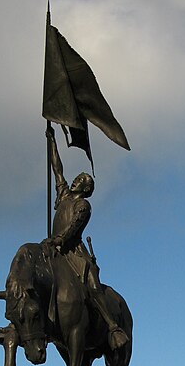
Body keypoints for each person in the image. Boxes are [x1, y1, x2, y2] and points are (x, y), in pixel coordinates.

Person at [45, 124, 128, 350]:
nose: (75, 180)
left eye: (81, 179)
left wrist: (59, 239)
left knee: (93, 286)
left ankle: (112, 326)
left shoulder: (83, 205)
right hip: (56, 250)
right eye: (77, 177)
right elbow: (57, 169)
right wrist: (51, 141)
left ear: (86, 187)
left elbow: (73, 228)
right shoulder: (63, 195)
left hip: (75, 254)